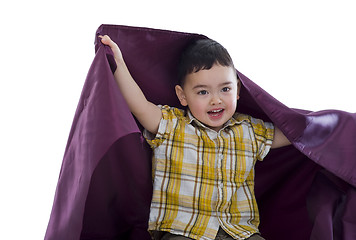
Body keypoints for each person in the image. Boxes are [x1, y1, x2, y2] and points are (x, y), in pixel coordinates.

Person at [100, 35, 290, 240]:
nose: (216, 100)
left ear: (237, 90)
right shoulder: (172, 125)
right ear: (183, 96)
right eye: (202, 92)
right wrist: (117, 61)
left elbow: (294, 134)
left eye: (225, 89)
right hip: (184, 231)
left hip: (238, 232)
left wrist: (323, 127)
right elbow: (139, 106)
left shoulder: (249, 130)